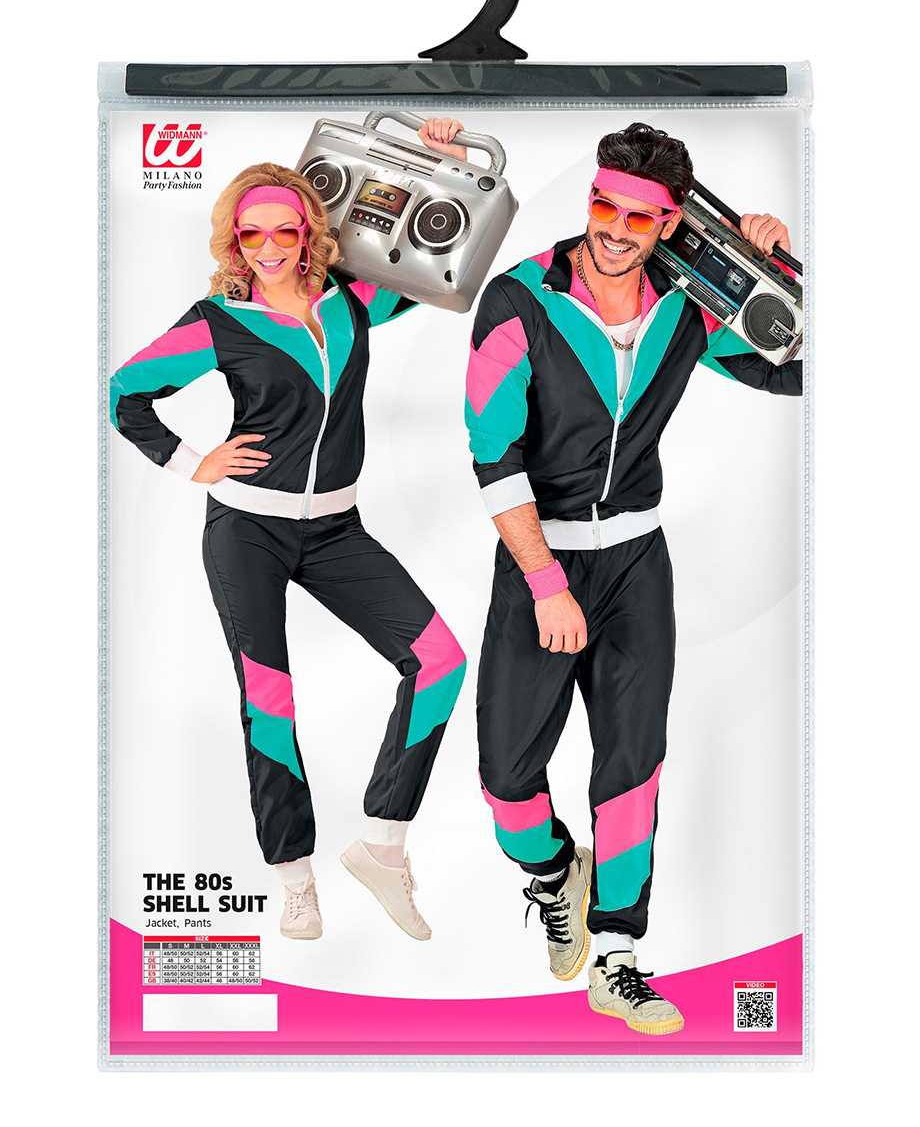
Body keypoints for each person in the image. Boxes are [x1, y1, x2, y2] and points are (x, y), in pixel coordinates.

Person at [463, 122, 802, 1033]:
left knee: (631, 767)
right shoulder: (520, 299)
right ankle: (552, 874)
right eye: (604, 205)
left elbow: (801, 369)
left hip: (637, 565)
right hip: (538, 559)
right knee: (505, 778)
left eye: (640, 217)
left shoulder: (692, 307)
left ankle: (618, 959)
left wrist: (777, 276)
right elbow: (492, 456)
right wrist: (546, 585)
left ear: (671, 223)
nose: (615, 229)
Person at [110, 134, 469, 942]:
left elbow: (449, 257)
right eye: (251, 234)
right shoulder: (219, 321)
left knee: (440, 662)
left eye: (284, 230)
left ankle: (384, 847)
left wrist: (435, 152)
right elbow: (124, 392)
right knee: (270, 700)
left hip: (338, 529)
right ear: (233, 241)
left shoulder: (357, 300)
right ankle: (294, 880)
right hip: (247, 530)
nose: (268, 248)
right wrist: (191, 461)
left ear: (310, 230)